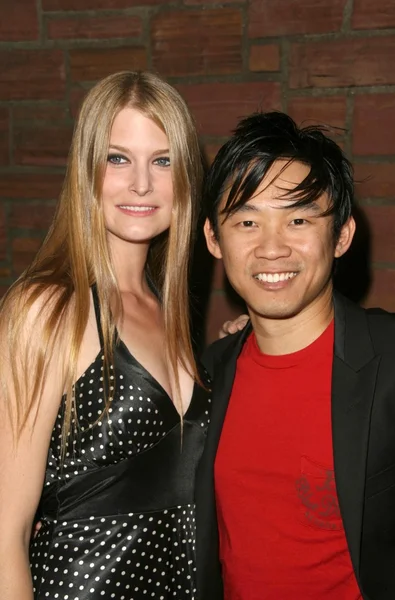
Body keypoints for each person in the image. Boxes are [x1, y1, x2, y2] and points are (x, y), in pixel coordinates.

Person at [0, 70, 210, 600]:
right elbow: (5, 534)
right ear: (86, 169)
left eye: (162, 161)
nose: (141, 183)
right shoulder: (49, 308)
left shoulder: (172, 312)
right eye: (118, 158)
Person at [196, 111, 395, 600]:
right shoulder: (203, 377)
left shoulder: (393, 360)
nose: (272, 248)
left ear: (342, 236)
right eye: (247, 220)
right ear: (213, 239)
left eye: (299, 219)